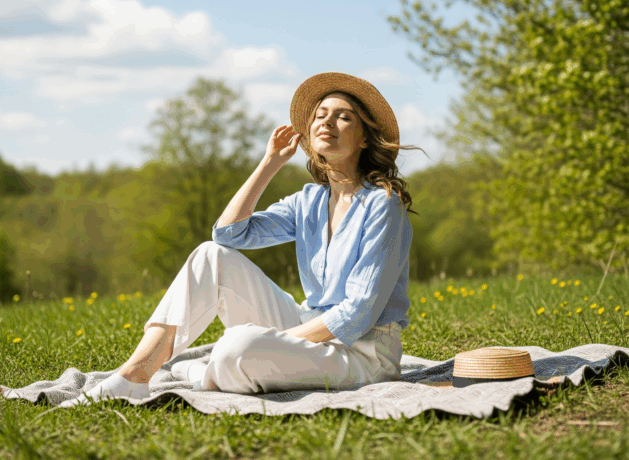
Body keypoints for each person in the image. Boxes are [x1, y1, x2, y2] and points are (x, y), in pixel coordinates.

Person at [58, 72, 422, 407]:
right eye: (320, 114)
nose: (327, 121)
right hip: (308, 330)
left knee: (237, 346)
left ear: (363, 138)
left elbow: (358, 312)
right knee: (209, 255)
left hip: (362, 355)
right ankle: (135, 374)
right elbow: (229, 234)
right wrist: (268, 163)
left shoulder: (382, 204)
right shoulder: (309, 201)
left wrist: (283, 341)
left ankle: (201, 372)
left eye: (344, 117)